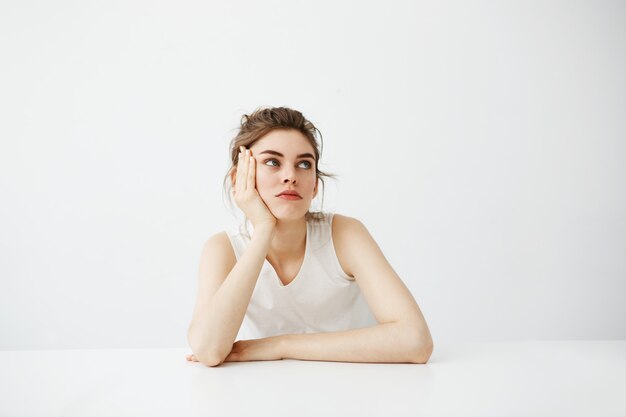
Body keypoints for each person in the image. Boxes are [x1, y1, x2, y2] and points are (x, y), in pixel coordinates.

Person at [186, 106, 433, 366]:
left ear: (315, 184)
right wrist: (264, 229)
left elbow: (416, 342)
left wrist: (281, 344)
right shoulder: (222, 248)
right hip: (261, 392)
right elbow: (208, 351)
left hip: (355, 388)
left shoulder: (345, 234)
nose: (291, 176)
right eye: (272, 162)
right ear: (240, 178)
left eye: (304, 164)